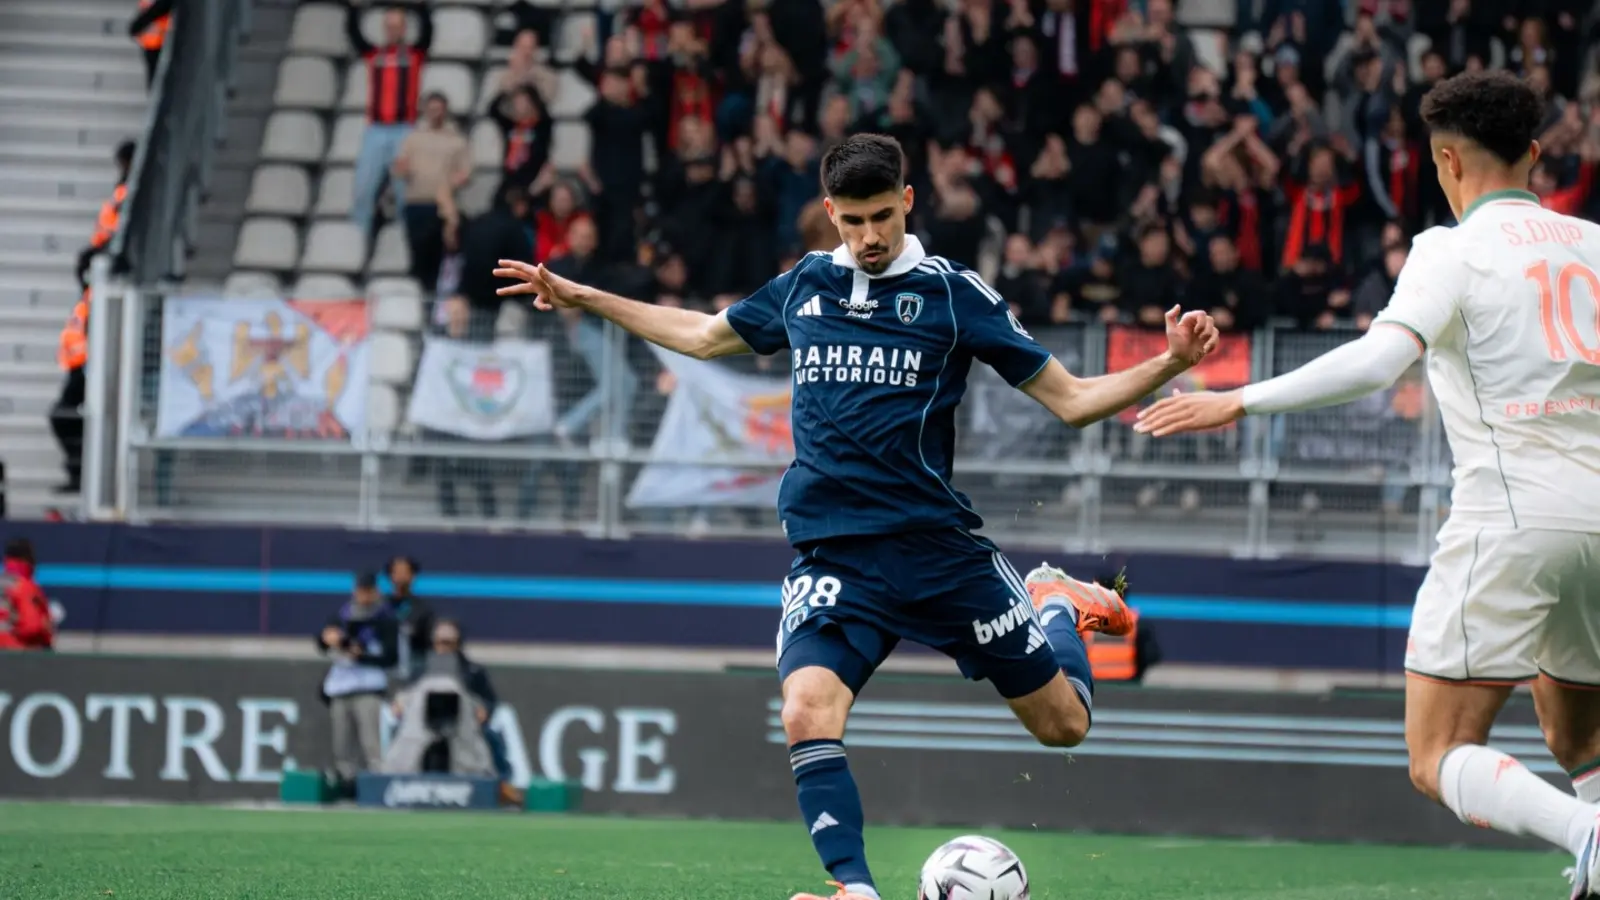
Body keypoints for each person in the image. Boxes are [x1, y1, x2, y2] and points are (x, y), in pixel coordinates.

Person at [494, 133, 1219, 900]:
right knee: (807, 709)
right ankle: (855, 890)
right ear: (830, 212)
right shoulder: (803, 285)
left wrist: (1169, 363)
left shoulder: (953, 294)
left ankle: (1056, 604)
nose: (869, 237)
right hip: (835, 557)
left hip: (939, 553)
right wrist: (584, 296)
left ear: (908, 201)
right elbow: (704, 337)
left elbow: (1071, 402)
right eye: (852, 221)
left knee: (1064, 727)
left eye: (882, 216)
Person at [1134, 70, 1600, 896]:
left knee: (1435, 754)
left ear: (1447, 162)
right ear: (1534, 155)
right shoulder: (1595, 246)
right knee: (1582, 741)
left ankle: (1587, 833)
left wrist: (1238, 399)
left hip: (1514, 518)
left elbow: (1382, 360)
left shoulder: (1449, 250)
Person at [317, 570, 399, 793]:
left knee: (371, 741)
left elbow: (391, 657)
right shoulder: (342, 615)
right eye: (360, 591)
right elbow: (323, 641)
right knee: (342, 743)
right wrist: (329, 640)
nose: (363, 596)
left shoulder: (386, 618)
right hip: (342, 685)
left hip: (369, 686)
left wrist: (360, 655)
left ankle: (379, 784)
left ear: (375, 592)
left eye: (367, 591)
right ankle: (347, 783)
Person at [0, 539, 54, 651]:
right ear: (28, 559)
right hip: (19, 656)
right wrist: (44, 629)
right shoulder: (24, 587)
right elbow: (32, 626)